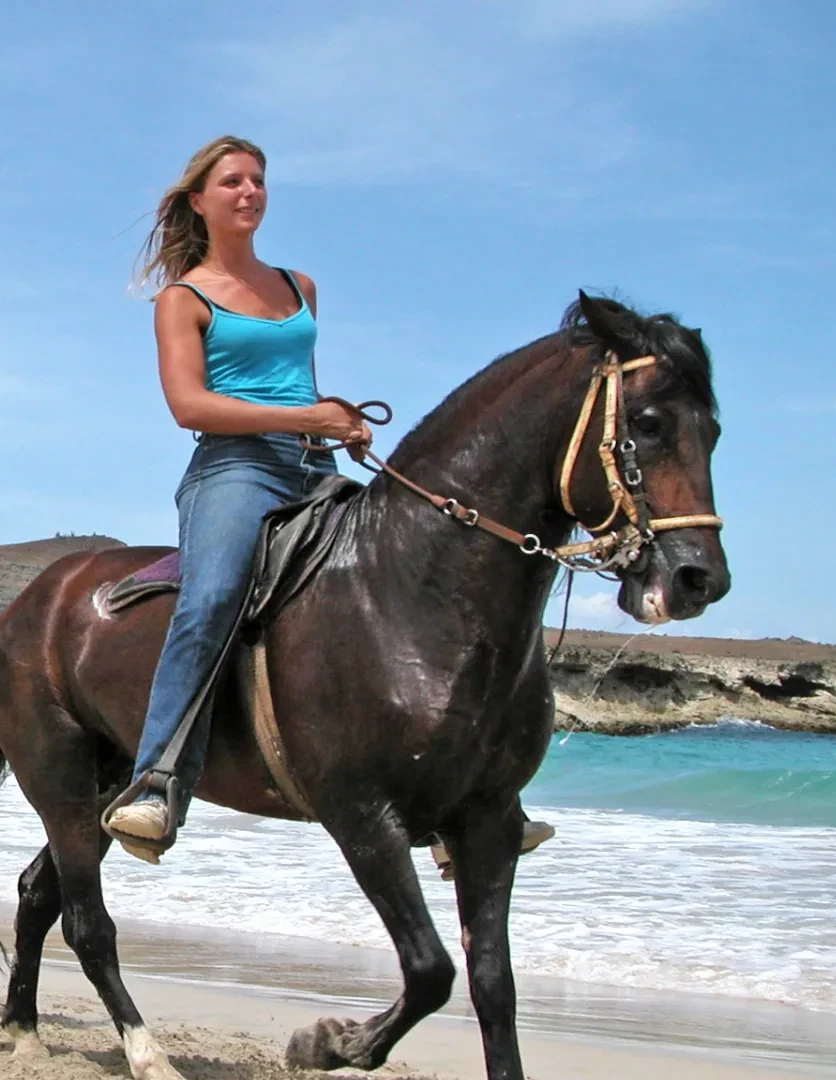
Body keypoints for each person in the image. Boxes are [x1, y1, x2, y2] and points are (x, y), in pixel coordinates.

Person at [100, 136, 559, 868]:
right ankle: (156, 780)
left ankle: (466, 798)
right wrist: (303, 418)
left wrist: (333, 421)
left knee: (415, 577)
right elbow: (190, 406)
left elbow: (296, 385)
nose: (250, 192)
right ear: (199, 200)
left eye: (258, 180)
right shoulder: (181, 298)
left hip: (312, 462)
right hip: (233, 470)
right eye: (232, 182)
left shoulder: (299, 286)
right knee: (213, 596)